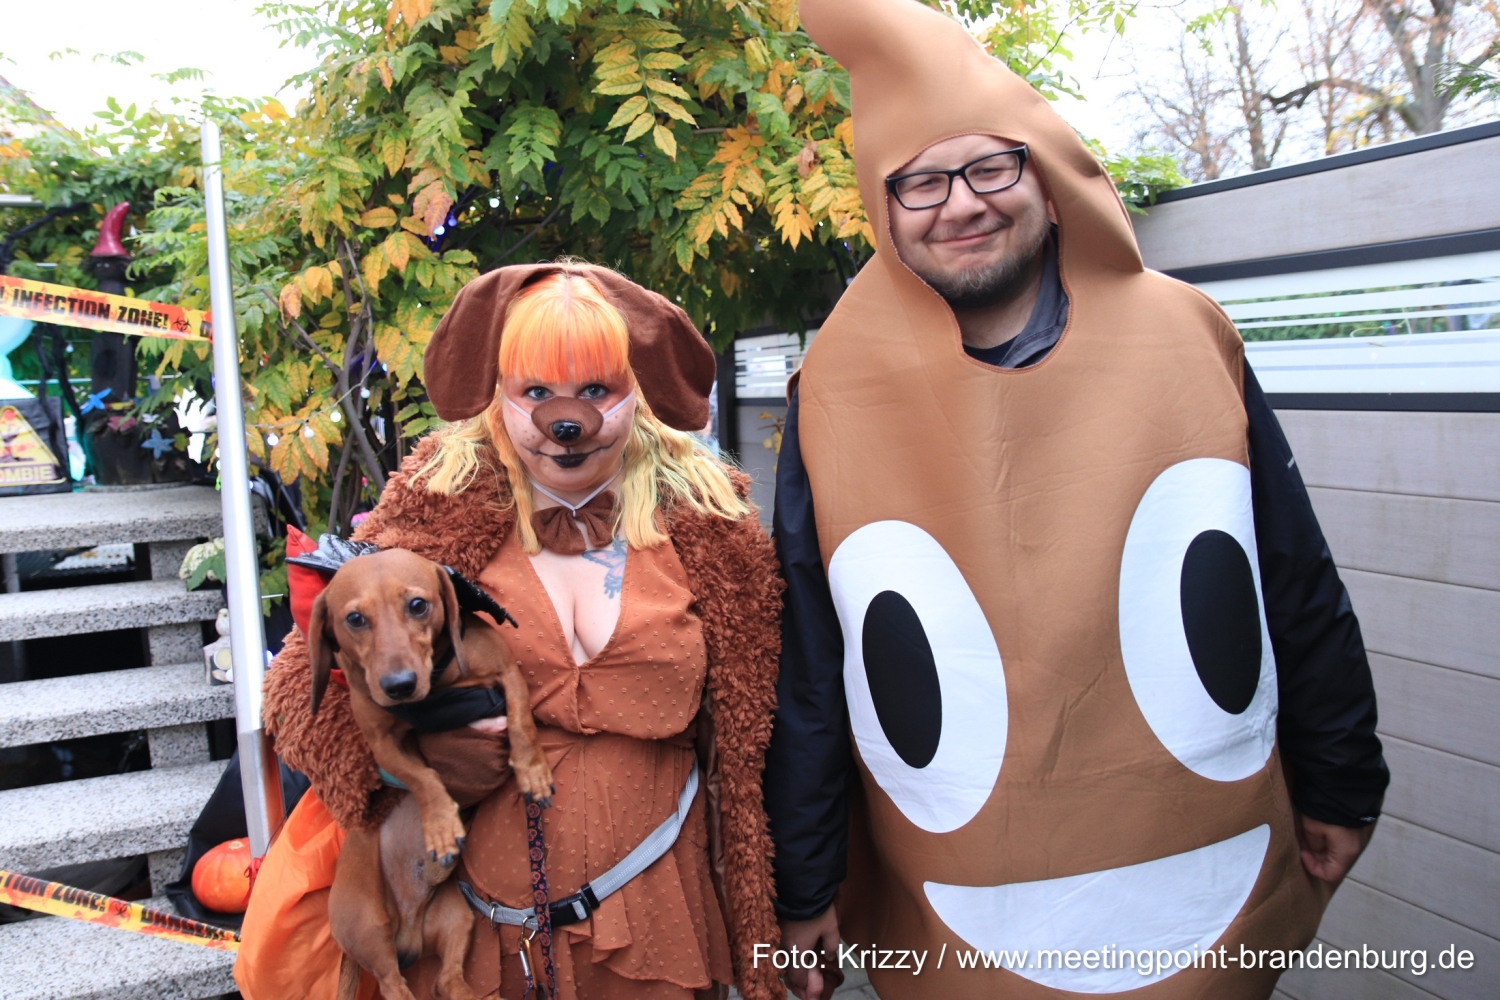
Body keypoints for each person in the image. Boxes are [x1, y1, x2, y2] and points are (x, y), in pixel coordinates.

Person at [764, 1, 1389, 998]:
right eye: (920, 182)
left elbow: (1291, 573)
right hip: (972, 885)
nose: (959, 204)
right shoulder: (839, 389)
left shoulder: (1184, 335)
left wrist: (1343, 781)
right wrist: (804, 881)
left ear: (1050, 183)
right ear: (886, 215)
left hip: (1193, 844)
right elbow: (812, 654)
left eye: (990, 167)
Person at [236, 262, 785, 1000]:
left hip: (664, 910)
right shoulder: (434, 512)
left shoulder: (713, 527)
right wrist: (406, 767)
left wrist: (802, 899)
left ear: (639, 390)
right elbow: (295, 700)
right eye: (536, 392)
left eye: (597, 389)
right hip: (477, 931)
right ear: (499, 393)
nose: (568, 419)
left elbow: (772, 726)